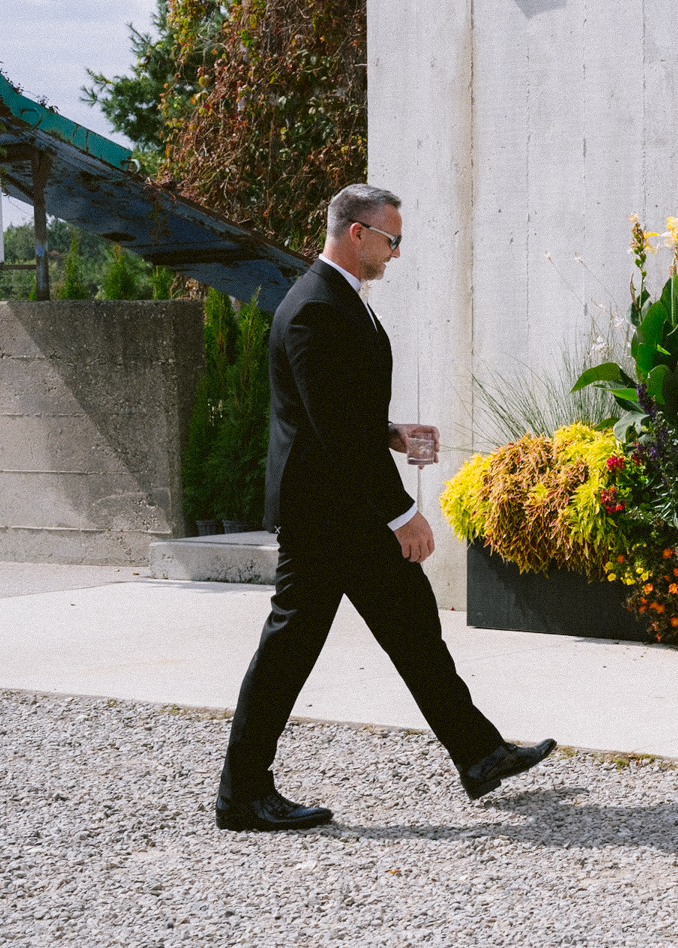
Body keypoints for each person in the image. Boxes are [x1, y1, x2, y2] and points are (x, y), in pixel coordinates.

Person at [216, 184, 557, 832]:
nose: (397, 253)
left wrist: (393, 433)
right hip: (323, 517)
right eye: (392, 240)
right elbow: (334, 432)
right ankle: (240, 796)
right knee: (290, 649)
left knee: (411, 622)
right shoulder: (316, 307)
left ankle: (479, 754)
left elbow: (343, 413)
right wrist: (402, 512)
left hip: (346, 509)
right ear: (357, 234)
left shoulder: (341, 300)